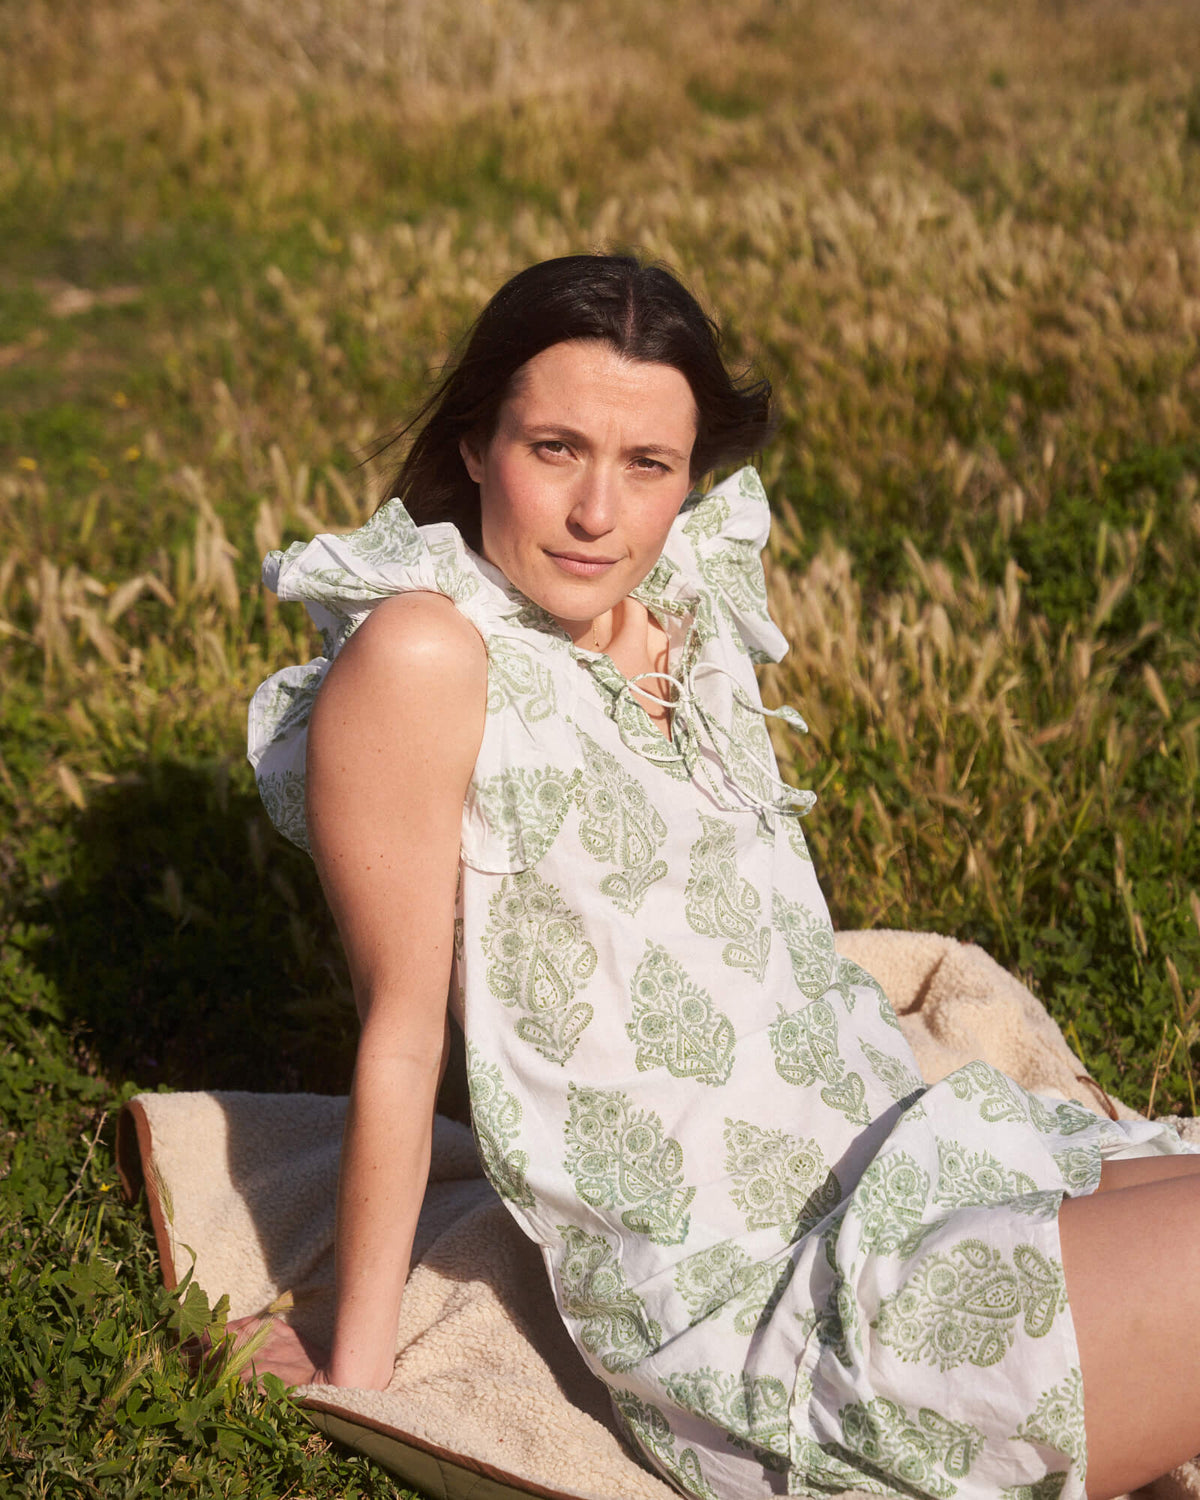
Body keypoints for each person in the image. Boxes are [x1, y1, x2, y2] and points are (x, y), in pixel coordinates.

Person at [243, 253, 1200, 1500]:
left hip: (921, 1167)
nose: (600, 514)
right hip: (774, 1308)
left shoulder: (684, 609)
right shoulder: (426, 654)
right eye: (555, 449)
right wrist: (353, 1366)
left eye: (649, 466)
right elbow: (403, 1033)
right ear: (475, 443)